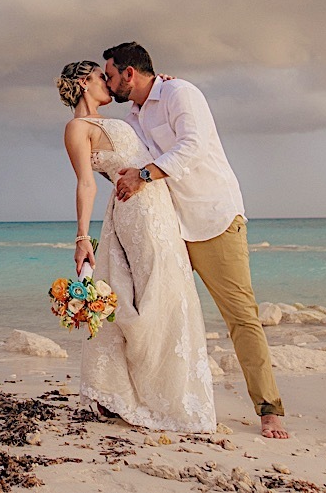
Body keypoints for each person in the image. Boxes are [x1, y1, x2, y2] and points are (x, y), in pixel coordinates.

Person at [102, 41, 290, 440]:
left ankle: (269, 409)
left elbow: (192, 146)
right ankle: (143, 398)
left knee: (240, 317)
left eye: (111, 75)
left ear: (130, 73)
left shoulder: (180, 94)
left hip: (212, 219)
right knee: (155, 312)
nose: (109, 82)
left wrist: (144, 176)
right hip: (169, 226)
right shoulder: (135, 114)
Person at [57, 60, 215, 433]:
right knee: (153, 293)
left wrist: (166, 84)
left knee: (171, 292)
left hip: (160, 207)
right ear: (84, 83)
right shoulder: (77, 128)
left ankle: (168, 390)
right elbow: (86, 184)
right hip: (136, 212)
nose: (108, 84)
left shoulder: (126, 117)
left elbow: (150, 122)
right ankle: (144, 394)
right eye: (101, 77)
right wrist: (82, 237)